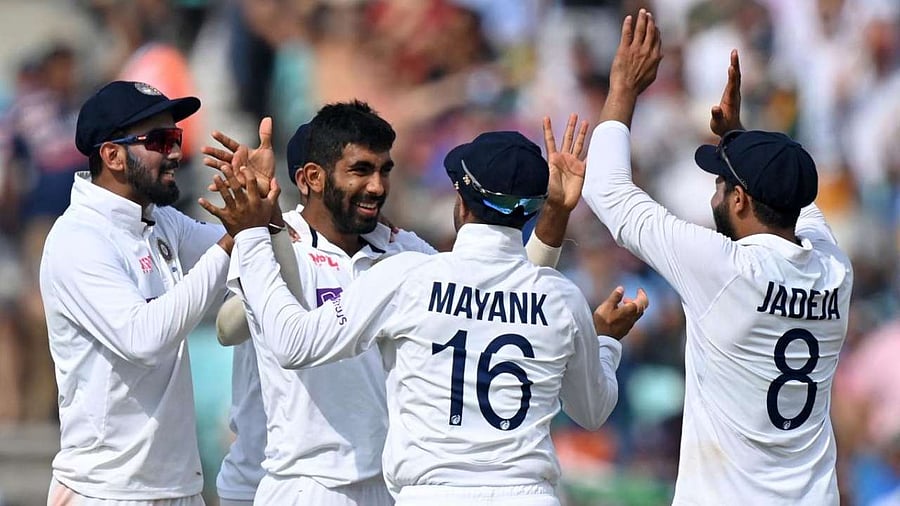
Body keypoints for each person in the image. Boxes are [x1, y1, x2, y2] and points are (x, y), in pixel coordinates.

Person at [203, 126, 648, 506]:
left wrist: (253, 235)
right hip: (525, 495)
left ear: (462, 200)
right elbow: (592, 410)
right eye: (362, 170)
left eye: (383, 171)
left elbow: (291, 343)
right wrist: (606, 342)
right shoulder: (563, 299)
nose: (377, 187)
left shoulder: (408, 271)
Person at [580, 10, 853, 505]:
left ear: (741, 201)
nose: (715, 192)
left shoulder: (725, 269)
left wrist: (622, 87)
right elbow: (797, 203)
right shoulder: (834, 271)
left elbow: (607, 191)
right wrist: (740, 141)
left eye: (721, 183)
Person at [38, 81, 253, 505]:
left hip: (178, 488)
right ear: (112, 155)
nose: (174, 153)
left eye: (175, 138)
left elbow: (247, 251)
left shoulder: (160, 220)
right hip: (104, 491)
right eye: (159, 141)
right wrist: (233, 239)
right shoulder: (77, 240)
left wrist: (263, 205)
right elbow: (144, 339)